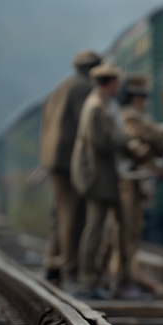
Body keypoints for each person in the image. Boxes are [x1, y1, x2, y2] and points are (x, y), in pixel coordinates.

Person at [38, 49, 102, 283]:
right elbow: (87, 129)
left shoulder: (60, 87)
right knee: (73, 215)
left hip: (53, 159)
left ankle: (53, 262)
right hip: (69, 161)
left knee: (60, 212)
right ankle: (71, 268)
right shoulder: (83, 89)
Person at [71, 63, 133, 298]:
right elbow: (101, 141)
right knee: (95, 227)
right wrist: (124, 140)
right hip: (96, 177)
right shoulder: (96, 107)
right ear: (110, 82)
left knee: (98, 227)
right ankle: (88, 279)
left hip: (100, 176)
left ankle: (94, 278)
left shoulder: (100, 104)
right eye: (116, 82)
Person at [111, 74, 163, 296]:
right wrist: (162, 135)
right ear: (134, 98)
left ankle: (126, 278)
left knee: (132, 231)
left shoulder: (135, 117)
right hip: (127, 181)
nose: (144, 101)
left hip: (133, 182)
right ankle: (122, 280)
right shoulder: (129, 118)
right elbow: (140, 140)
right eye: (141, 96)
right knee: (125, 231)